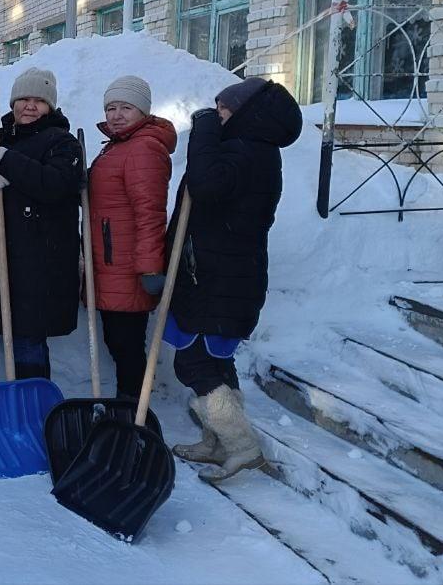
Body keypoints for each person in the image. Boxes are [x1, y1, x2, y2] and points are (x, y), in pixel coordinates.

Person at [167, 77, 301, 482]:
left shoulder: (248, 153)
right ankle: (217, 441)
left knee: (194, 364)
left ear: (246, 114)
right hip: (219, 276)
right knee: (214, 362)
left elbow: (205, 184)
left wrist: (204, 128)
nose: (218, 115)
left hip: (221, 279)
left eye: (224, 109)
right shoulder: (250, 151)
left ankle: (241, 446)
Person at [0, 68, 83, 379]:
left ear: (51, 106)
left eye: (38, 100)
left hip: (40, 262)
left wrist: (6, 161)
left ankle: (36, 410)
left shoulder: (63, 143)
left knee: (30, 338)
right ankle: (18, 407)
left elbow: (56, 184)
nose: (29, 106)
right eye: (22, 99)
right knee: (11, 333)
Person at [87, 76, 176, 398]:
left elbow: (150, 212)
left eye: (126, 107)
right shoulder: (118, 146)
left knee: (125, 345)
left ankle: (131, 414)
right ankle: (127, 410)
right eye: (111, 108)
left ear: (143, 111)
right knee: (119, 343)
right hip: (113, 262)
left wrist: (151, 268)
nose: (116, 115)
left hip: (128, 266)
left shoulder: (144, 148)